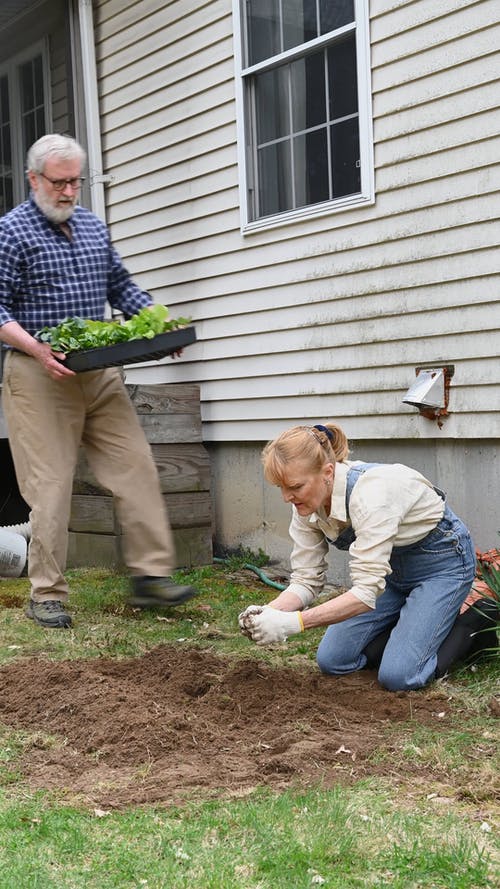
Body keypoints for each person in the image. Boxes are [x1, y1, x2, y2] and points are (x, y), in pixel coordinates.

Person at [0, 133, 197, 629]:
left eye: (75, 182)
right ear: (34, 180)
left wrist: (157, 324)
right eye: (59, 182)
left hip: (100, 370)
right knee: (51, 486)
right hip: (39, 374)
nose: (68, 192)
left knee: (136, 467)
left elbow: (121, 287)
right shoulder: (12, 232)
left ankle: (151, 577)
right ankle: (46, 593)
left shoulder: (91, 226)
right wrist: (37, 349)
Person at [239, 422, 497, 691]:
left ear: (327, 472)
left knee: (399, 676)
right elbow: (306, 580)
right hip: (391, 574)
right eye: (280, 487)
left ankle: (472, 621)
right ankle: (410, 627)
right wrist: (268, 612)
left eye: (293, 486)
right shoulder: (307, 504)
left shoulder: (372, 495)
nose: (285, 497)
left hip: (442, 565)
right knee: (333, 660)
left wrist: (295, 623)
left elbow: (364, 594)